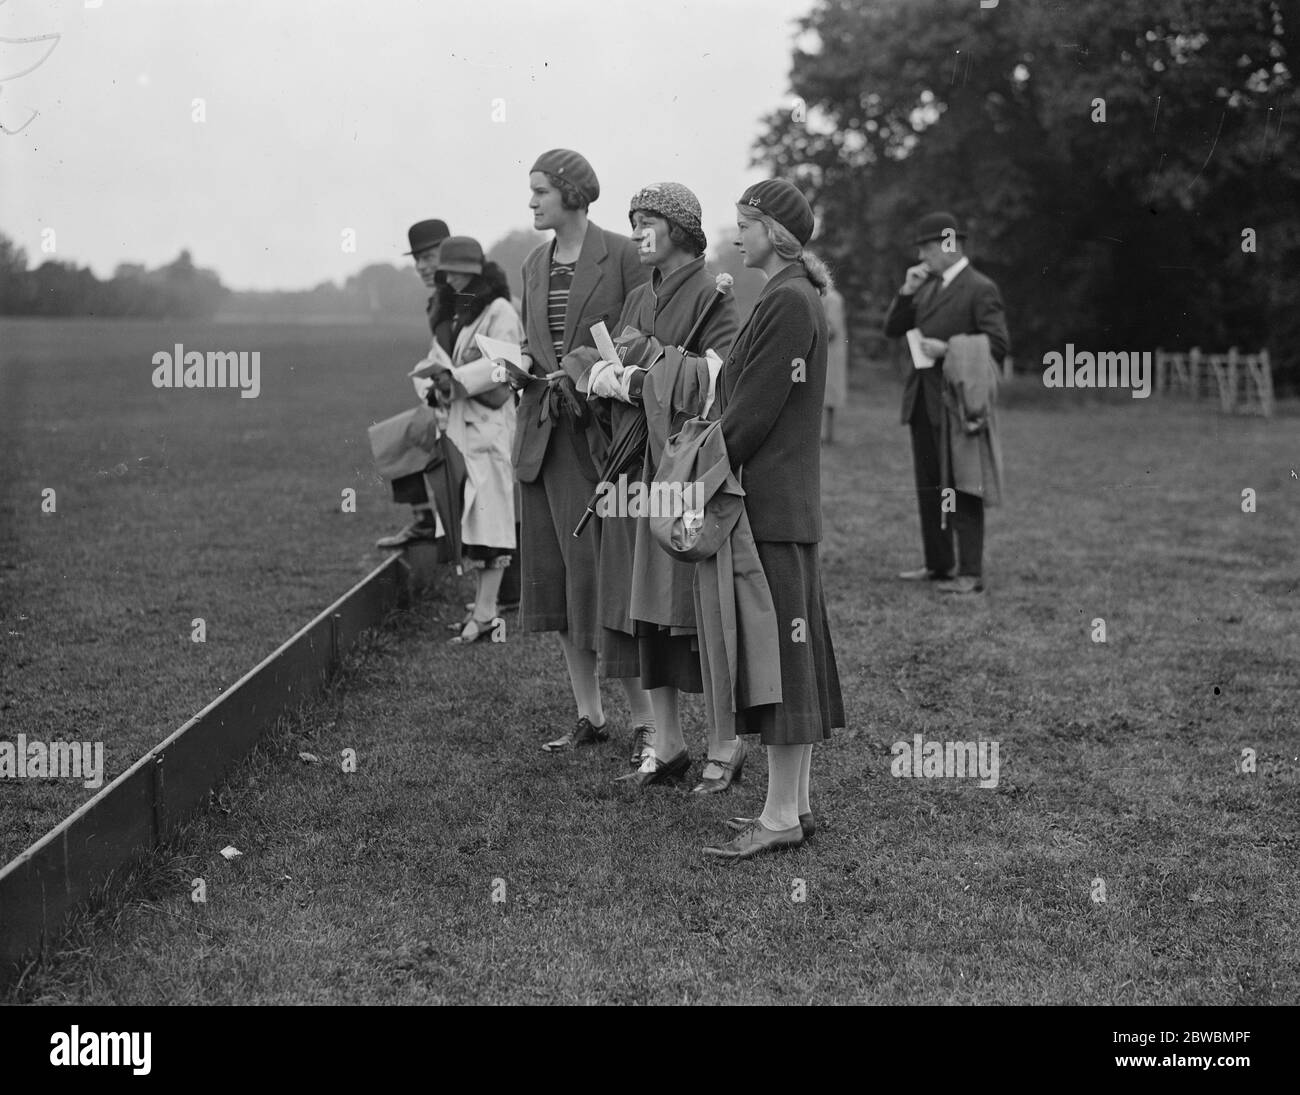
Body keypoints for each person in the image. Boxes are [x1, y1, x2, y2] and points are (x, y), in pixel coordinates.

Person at [700, 180, 845, 861]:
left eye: (746, 225)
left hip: (772, 504)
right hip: (783, 503)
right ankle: (796, 804)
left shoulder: (788, 298)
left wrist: (699, 472)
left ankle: (781, 814)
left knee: (785, 660)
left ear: (777, 234)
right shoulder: (788, 294)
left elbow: (753, 410)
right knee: (794, 654)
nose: (737, 236)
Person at [580, 182, 739, 788]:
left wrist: (649, 365)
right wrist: (614, 376)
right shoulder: (641, 294)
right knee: (651, 604)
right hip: (639, 466)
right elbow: (608, 367)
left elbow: (722, 380)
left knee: (700, 606)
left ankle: (725, 744)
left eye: (647, 221)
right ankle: (669, 744)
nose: (637, 231)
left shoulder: (711, 294)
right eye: (631, 220)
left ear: (678, 229)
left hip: (689, 469)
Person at [505, 150, 651, 751]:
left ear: (572, 193)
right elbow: (532, 342)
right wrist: (521, 370)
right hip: (543, 438)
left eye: (540, 191)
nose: (532, 202)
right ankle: (590, 716)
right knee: (558, 578)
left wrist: (578, 368)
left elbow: (644, 333)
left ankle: (648, 723)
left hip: (600, 440)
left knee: (605, 580)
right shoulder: (534, 264)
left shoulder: (621, 253)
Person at [881, 212, 1009, 594]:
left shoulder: (980, 288)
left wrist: (947, 349)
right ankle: (938, 565)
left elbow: (998, 345)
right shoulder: (924, 285)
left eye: (927, 247)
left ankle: (969, 572)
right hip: (922, 401)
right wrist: (906, 291)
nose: (921, 255)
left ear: (950, 244)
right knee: (930, 486)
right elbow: (893, 329)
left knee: (963, 484)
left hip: (960, 405)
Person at [425, 236, 521, 644]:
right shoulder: (462, 315)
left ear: (477, 272)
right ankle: (483, 607)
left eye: (462, 272)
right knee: (474, 521)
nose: (454, 279)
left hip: (490, 427)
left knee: (492, 520)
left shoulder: (498, 311)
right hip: (464, 428)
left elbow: (506, 368)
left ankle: (485, 615)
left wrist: (459, 378)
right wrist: (437, 383)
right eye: (450, 273)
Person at [377, 218, 457, 551]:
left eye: (429, 256)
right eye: (417, 260)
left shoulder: (471, 292)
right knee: (395, 434)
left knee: (407, 432)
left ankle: (430, 522)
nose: (422, 267)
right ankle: (425, 519)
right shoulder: (436, 300)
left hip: (483, 401)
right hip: (450, 395)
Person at [821, 285, 848, 443]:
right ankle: (824, 434)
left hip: (831, 351)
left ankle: (828, 434)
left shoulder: (833, 298)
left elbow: (832, 328)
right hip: (827, 350)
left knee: (829, 394)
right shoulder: (824, 296)